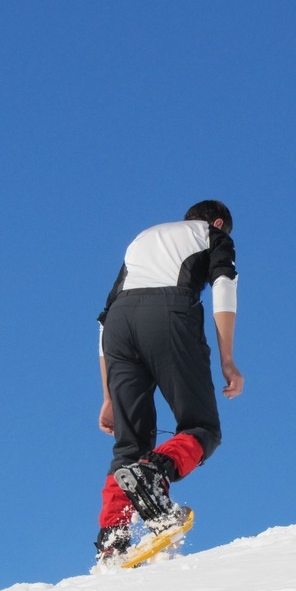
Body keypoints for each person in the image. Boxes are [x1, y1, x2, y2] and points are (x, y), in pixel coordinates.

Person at [94, 199, 244, 564]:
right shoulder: (212, 234)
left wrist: (108, 395)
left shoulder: (142, 238)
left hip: (118, 327)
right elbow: (224, 284)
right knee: (202, 427)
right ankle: (153, 473)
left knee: (128, 447)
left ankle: (113, 538)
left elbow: (105, 316)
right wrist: (228, 358)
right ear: (220, 222)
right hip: (168, 313)